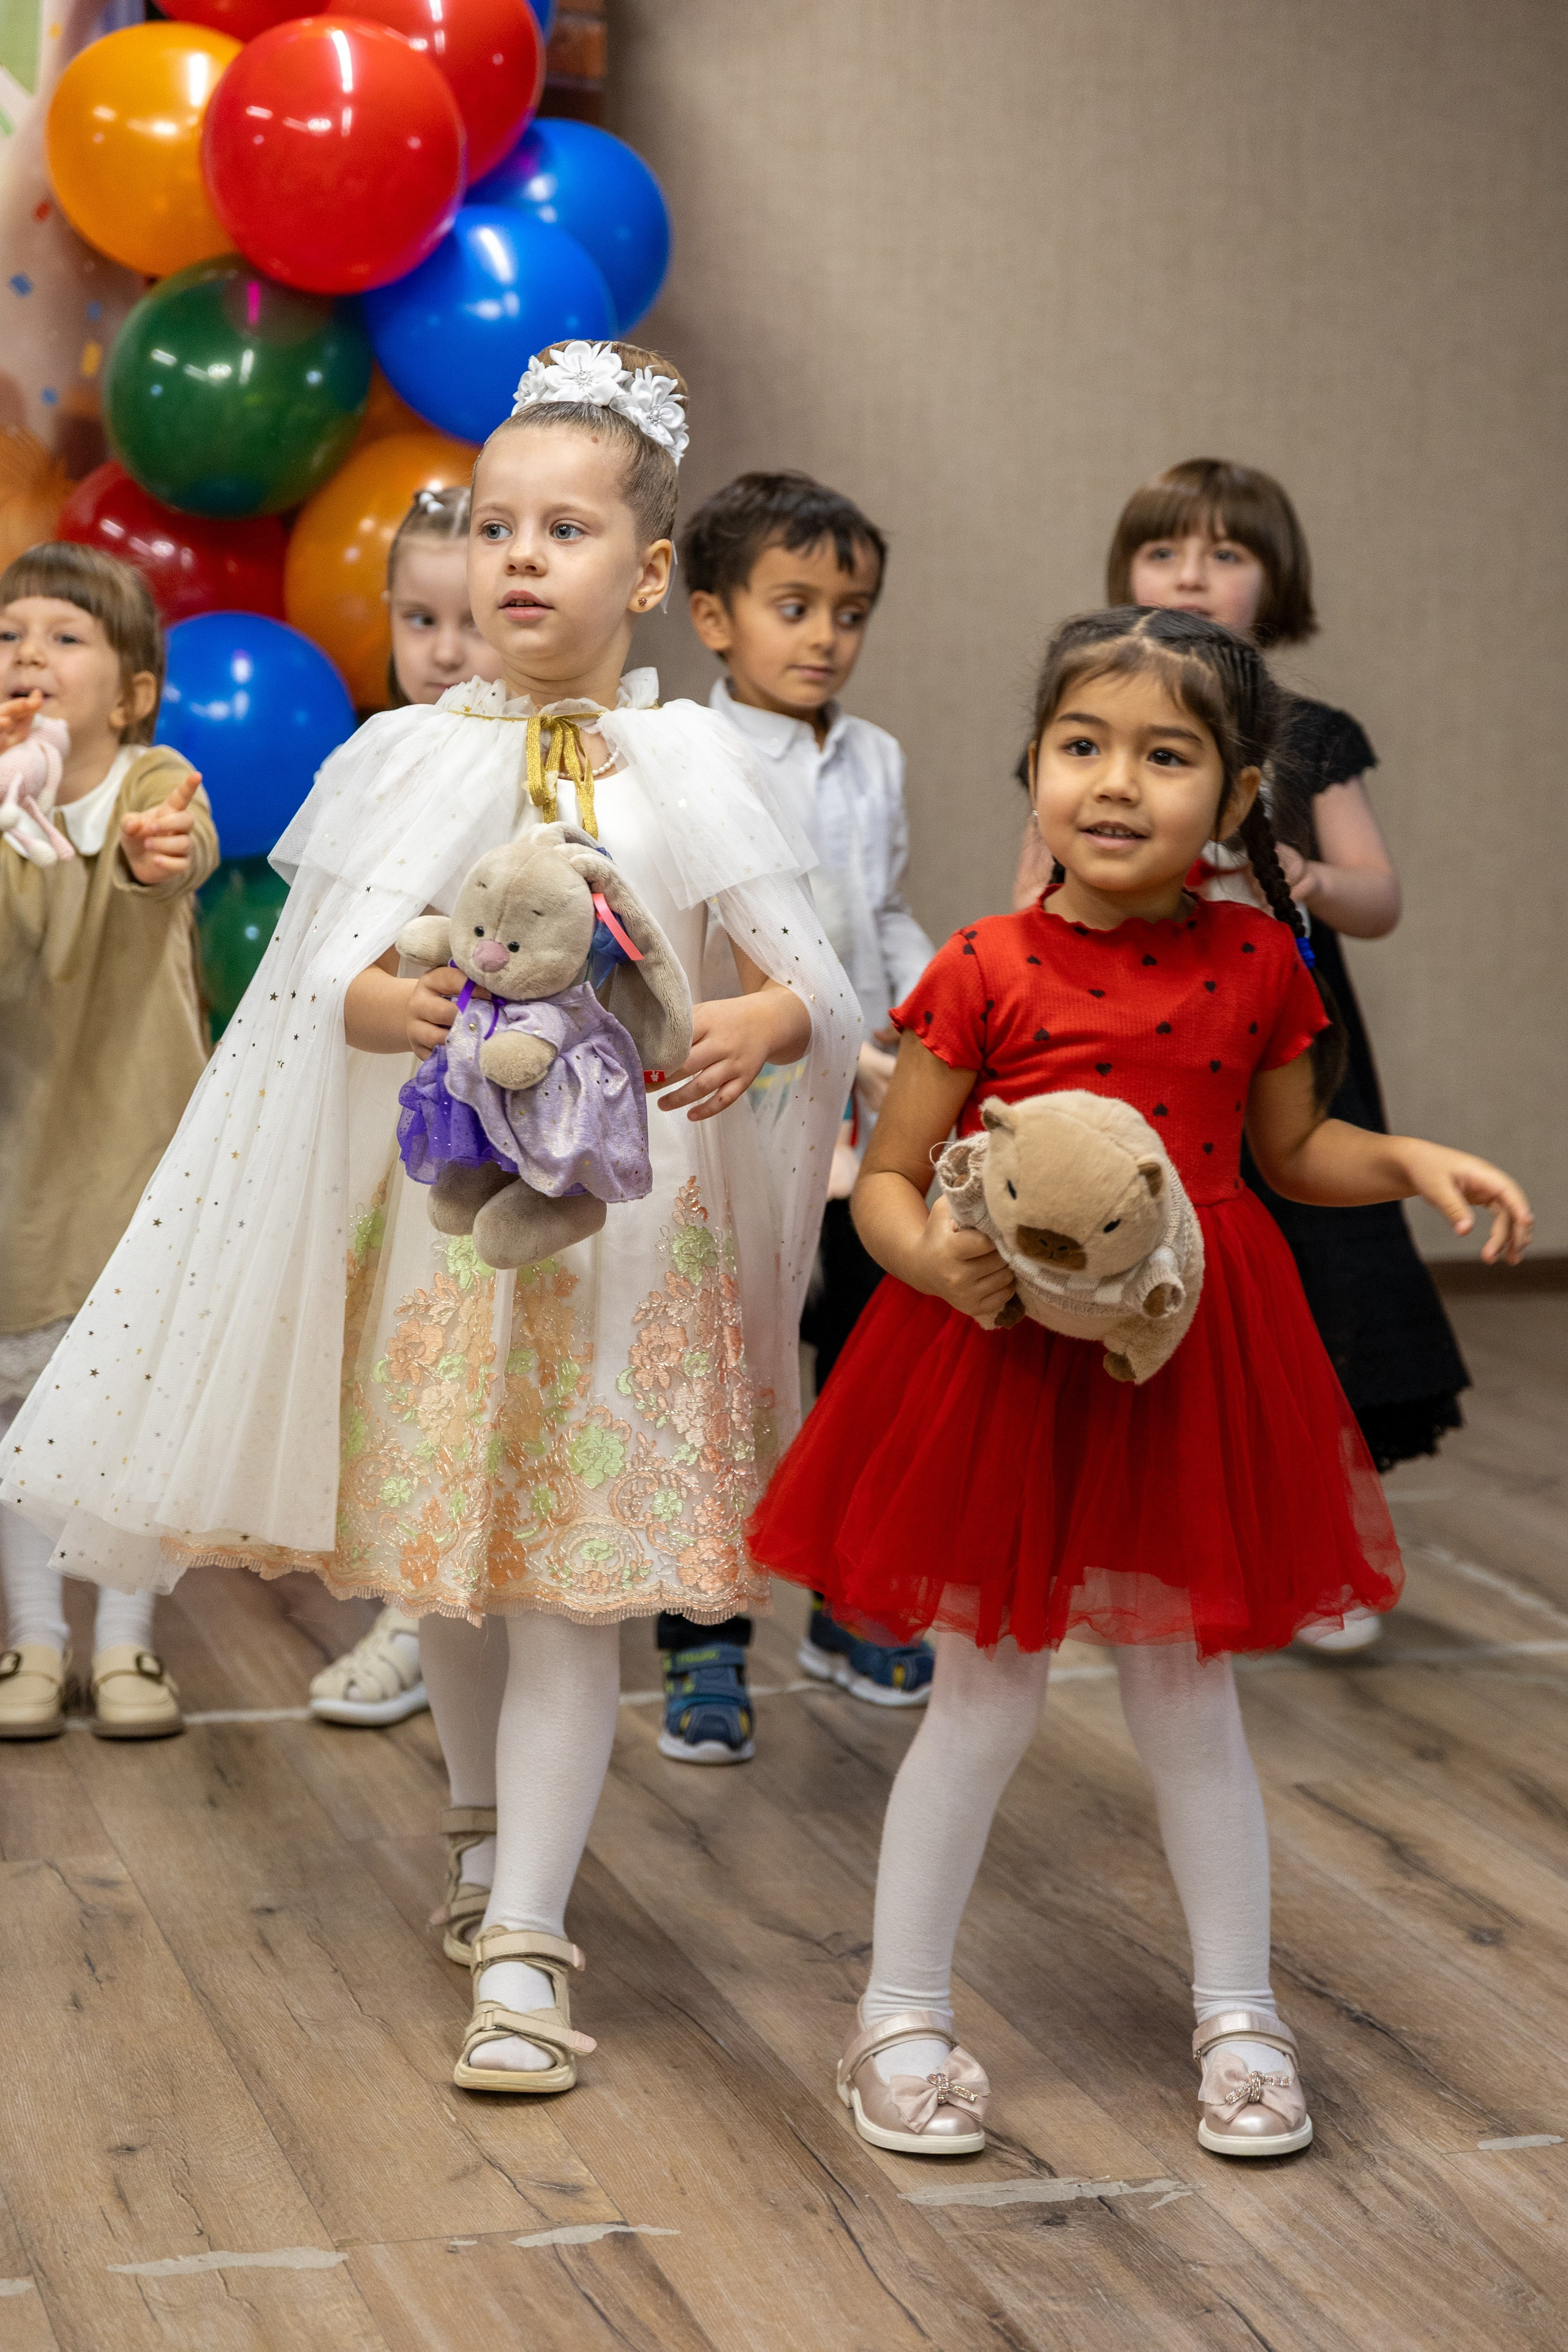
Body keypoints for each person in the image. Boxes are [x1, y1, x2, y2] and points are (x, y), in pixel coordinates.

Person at [2, 341, 858, 2097]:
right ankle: (479, 1842)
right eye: (493, 525)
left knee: (569, 1591)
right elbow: (323, 988)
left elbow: (813, 989)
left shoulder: (691, 766)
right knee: (456, 1570)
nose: (517, 557)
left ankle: (531, 1941)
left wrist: (761, 1023)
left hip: (623, 1244)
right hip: (454, 1238)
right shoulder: (403, 755)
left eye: (565, 529)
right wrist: (405, 1005)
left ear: (647, 572)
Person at [750, 606, 1531, 2162]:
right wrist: (931, 1263)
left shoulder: (1259, 959)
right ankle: (897, 2016)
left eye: (1163, 756)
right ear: (1034, 767)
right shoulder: (980, 966)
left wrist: (1406, 1159)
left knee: (1187, 1699)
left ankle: (1237, 2016)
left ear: (1234, 796)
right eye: (1080, 746)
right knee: (982, 1700)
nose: (1113, 783)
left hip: (1187, 1358)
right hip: (1002, 1363)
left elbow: (1290, 1151)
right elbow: (887, 1179)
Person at [1030, 461, 1471, 1655]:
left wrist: (1316, 880)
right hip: (1131, 1055)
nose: (1190, 574)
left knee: (1304, 1296)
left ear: (1275, 583)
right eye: (1164, 550)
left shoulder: (1309, 737)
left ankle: (1314, 1549)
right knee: (1141, 1281)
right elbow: (1033, 895)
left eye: (1225, 554)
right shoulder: (1091, 727)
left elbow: (1379, 896)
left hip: (1279, 1058)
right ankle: (1143, 1541)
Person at [656, 471, 936, 1762]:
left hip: (868, 1113)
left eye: (850, 611)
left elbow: (879, 915)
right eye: (793, 605)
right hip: (741, 1112)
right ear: (714, 617)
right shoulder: (684, 755)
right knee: (718, 1377)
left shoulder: (873, 757)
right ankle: (703, 1634)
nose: (825, 635)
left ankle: (852, 1599)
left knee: (868, 1368)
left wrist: (933, 1015)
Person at [0, 543, 216, 1740]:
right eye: (9, 635)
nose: (28, 654)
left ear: (132, 695)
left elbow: (177, 848)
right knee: (19, 1416)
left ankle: (128, 1640)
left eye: (65, 636)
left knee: (135, 1410)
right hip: (23, 1143)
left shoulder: (152, 779)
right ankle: (35, 1640)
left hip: (137, 1148)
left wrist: (152, 862)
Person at [307, 484, 507, 1727]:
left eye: (468, 621)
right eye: (417, 620)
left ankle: (457, 1614)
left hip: (513, 1127)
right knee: (405, 1372)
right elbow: (329, 961)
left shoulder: (548, 758)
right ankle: (406, 1607)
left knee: (483, 1372)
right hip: (400, 1114)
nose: (442, 650)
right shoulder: (376, 764)